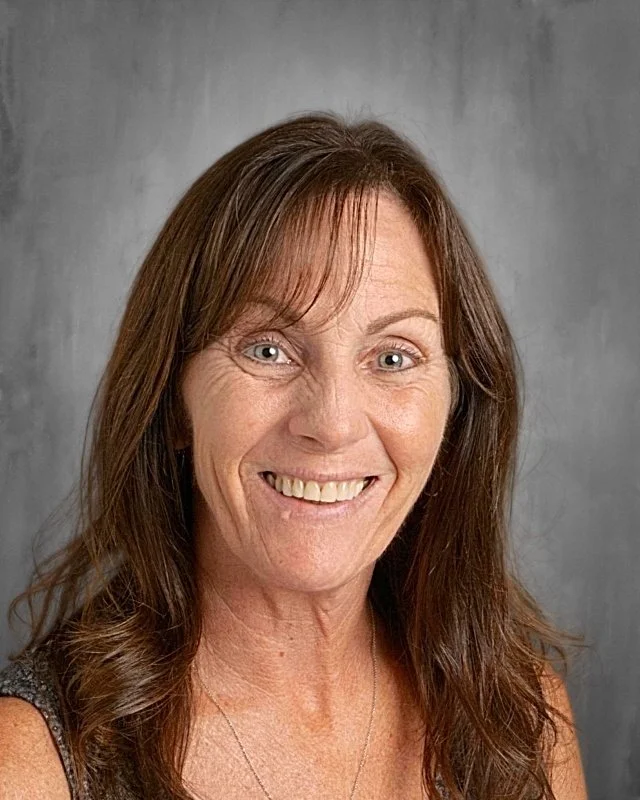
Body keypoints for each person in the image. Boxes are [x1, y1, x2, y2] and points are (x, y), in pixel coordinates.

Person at [0, 111, 587, 800]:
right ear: (173, 401)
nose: (332, 424)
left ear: (456, 410)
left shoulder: (520, 724)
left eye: (393, 356)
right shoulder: (29, 763)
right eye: (268, 349)